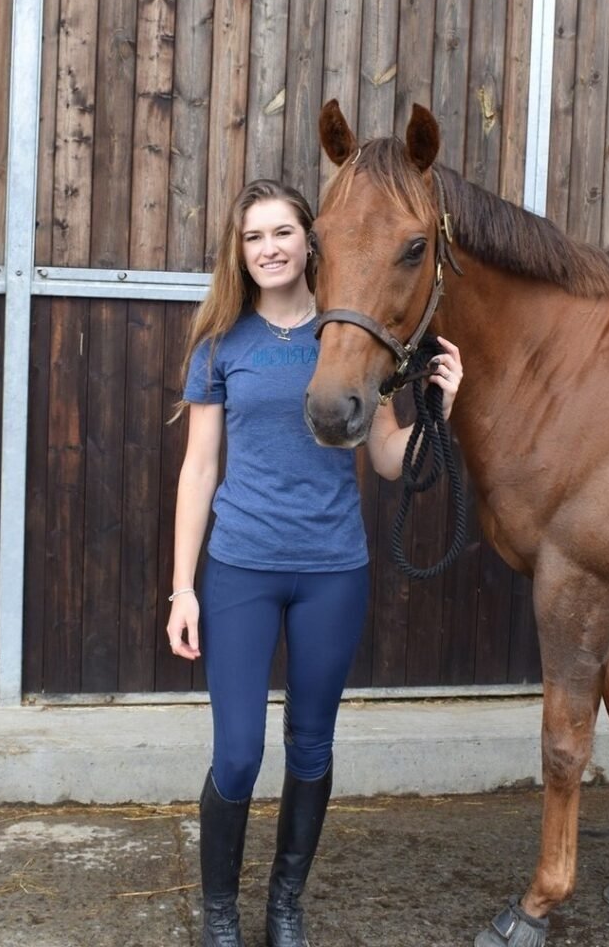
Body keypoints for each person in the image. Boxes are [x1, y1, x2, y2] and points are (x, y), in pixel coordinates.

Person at [167, 179, 463, 947]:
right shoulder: (219, 345)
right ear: (241, 253)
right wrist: (181, 590)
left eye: (281, 233)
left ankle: (285, 906)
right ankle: (221, 914)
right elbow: (199, 469)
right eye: (252, 237)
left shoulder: (351, 339)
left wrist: (440, 407)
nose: (267, 248)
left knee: (311, 746)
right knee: (237, 754)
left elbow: (393, 460)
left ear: (310, 242)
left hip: (333, 569)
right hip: (240, 569)